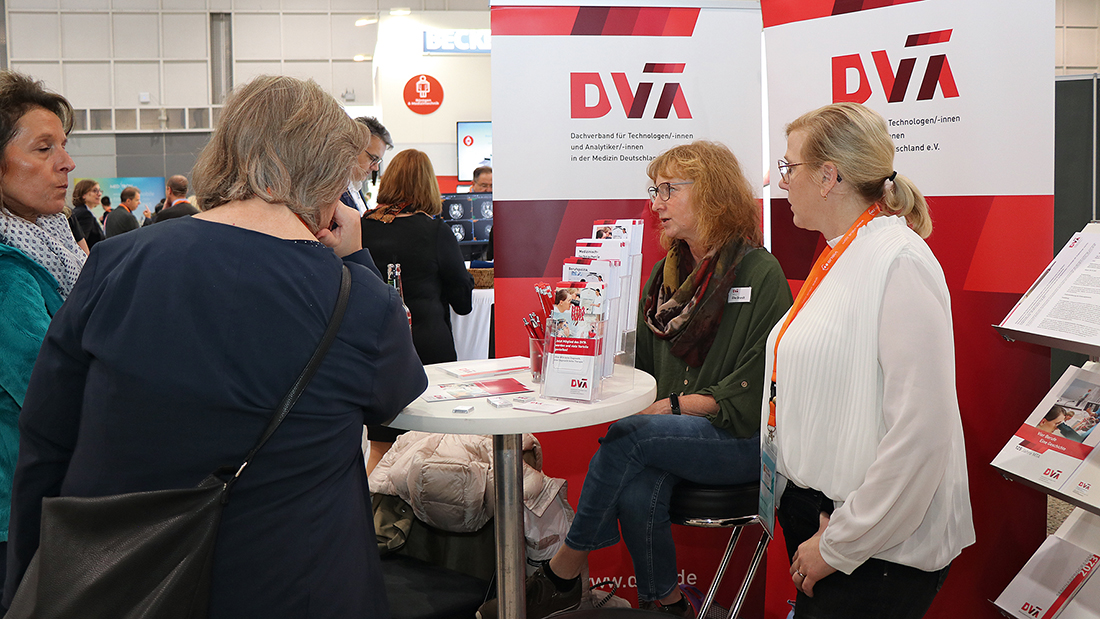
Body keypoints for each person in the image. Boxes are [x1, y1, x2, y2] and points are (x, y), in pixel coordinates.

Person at [4, 75, 427, 618]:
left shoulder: (117, 262)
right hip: (299, 579)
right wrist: (356, 259)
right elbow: (398, 395)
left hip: (125, 578)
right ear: (325, 176)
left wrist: (27, 584)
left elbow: (47, 438)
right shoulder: (357, 299)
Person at [478, 141, 792, 619]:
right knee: (636, 485)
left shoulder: (760, 272)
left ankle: (564, 570)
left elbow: (756, 384)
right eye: (655, 189)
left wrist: (669, 408)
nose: (656, 202)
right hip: (670, 436)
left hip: (742, 439)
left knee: (628, 438)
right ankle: (667, 604)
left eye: (669, 189)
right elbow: (641, 374)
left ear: (711, 194)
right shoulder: (662, 280)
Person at [767, 102, 974, 619]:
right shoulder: (845, 250)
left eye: (789, 167)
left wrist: (841, 542)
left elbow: (921, 432)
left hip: (873, 551)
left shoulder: (898, 260)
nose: (780, 180)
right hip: (834, 527)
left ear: (827, 177)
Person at [0, 69, 83, 593]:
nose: (67, 162)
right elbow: (48, 393)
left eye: (65, 146)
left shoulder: (44, 246)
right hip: (14, 508)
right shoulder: (9, 275)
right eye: (44, 147)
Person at [360, 148, 474, 472]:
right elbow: (463, 304)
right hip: (428, 352)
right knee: (433, 447)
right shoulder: (436, 231)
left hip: (376, 351)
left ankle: (376, 521)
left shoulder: (361, 226)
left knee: (380, 450)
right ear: (428, 186)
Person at [340, 116, 392, 214]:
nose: (376, 168)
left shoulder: (355, 188)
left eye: (378, 161)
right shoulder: (332, 191)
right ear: (353, 147)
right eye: (373, 159)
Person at [71, 179, 105, 249]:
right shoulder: (85, 214)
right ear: (83, 195)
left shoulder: (79, 211)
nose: (99, 194)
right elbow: (81, 243)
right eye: (95, 191)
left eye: (99, 191)